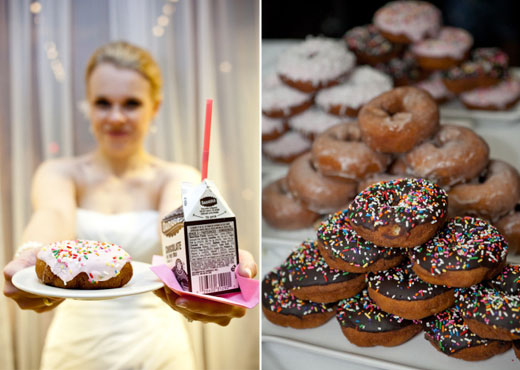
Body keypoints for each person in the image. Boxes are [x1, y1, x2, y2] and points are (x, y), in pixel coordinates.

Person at [2, 41, 258, 370]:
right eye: (103, 103)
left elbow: (175, 230)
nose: (116, 117)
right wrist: (31, 252)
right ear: (88, 107)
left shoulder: (177, 177)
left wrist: (212, 261)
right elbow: (53, 214)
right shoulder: (59, 173)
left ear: (155, 107)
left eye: (131, 103)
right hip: (74, 348)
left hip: (156, 348)